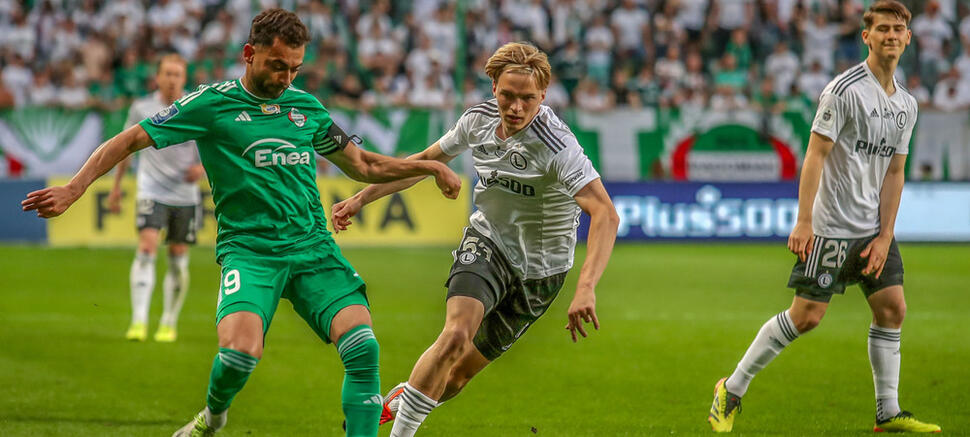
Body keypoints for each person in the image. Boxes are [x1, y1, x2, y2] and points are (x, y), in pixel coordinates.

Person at [21, 9, 461, 437]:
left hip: (313, 249)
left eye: (294, 69)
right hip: (250, 253)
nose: (286, 78)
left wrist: (426, 167)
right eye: (276, 66)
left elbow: (363, 164)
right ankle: (212, 419)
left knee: (363, 348)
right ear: (249, 53)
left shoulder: (305, 108)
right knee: (238, 356)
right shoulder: (211, 104)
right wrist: (75, 189)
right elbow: (132, 137)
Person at [331, 42, 620, 437]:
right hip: (488, 244)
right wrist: (364, 196)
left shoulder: (557, 146)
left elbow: (605, 212)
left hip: (541, 273)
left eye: (527, 99)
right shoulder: (476, 120)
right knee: (453, 335)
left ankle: (403, 398)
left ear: (544, 96)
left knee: (456, 378)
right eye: (507, 95)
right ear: (493, 88)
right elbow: (424, 163)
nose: (516, 107)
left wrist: (586, 288)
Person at [707, 2, 940, 433]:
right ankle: (731, 389)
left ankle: (887, 411)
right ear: (866, 37)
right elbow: (815, 155)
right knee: (806, 317)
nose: (891, 35)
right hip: (831, 228)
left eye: (898, 29)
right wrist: (804, 220)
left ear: (908, 39)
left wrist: (886, 234)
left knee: (892, 308)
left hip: (872, 230)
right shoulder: (843, 90)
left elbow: (894, 171)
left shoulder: (907, 104)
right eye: (883, 29)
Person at [107, 53, 204, 343]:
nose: (172, 79)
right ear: (158, 77)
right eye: (168, 73)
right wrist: (116, 187)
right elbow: (124, 147)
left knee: (177, 258)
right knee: (147, 247)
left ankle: (168, 321)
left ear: (184, 78)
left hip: (185, 195)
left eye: (177, 74)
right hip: (152, 189)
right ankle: (138, 321)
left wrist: (201, 168)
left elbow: (212, 145)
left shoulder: (195, 106)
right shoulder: (142, 108)